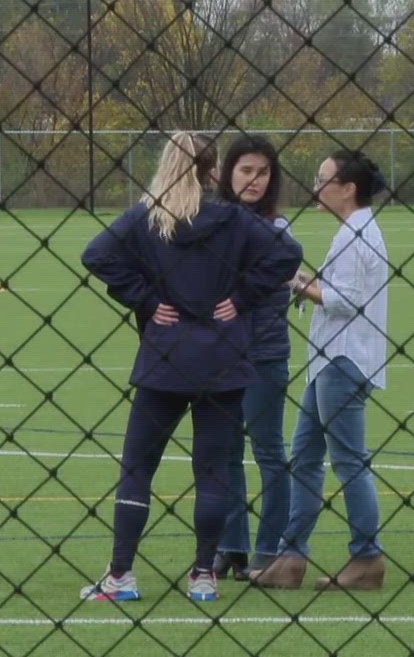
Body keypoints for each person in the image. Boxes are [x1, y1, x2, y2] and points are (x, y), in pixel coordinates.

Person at [79, 131, 303, 603]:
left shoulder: (148, 216)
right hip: (223, 359)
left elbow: (95, 254)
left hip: (165, 358)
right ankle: (204, 574)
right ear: (212, 169)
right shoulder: (234, 219)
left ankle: (121, 574)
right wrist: (239, 298)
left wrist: (144, 298)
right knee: (213, 470)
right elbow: (288, 254)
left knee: (139, 467)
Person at [253, 149, 390, 591]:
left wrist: (297, 283)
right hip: (331, 359)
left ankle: (367, 558)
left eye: (323, 179)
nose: (316, 187)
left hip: (343, 361)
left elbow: (346, 299)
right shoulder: (354, 231)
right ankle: (291, 556)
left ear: (347, 188)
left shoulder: (355, 234)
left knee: (348, 460)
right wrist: (310, 283)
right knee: (306, 459)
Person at [212, 136, 299, 580]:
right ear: (228, 173)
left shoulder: (278, 230)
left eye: (262, 172)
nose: (254, 179)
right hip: (219, 355)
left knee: (268, 451)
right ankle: (231, 546)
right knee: (224, 451)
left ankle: (270, 550)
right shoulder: (215, 222)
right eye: (246, 170)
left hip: (263, 354)